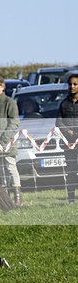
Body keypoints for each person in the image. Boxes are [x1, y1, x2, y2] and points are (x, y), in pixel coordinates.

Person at [0, 75, 22, 207]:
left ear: (2, 86)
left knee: (11, 168)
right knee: (1, 171)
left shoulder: (9, 102)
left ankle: (18, 198)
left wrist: (5, 139)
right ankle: (5, 198)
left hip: (7, 142)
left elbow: (14, 122)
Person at [56, 72, 78, 204]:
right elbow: (58, 122)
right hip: (69, 143)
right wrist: (67, 131)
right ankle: (71, 198)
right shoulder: (64, 104)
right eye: (70, 84)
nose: (72, 87)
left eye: (75, 84)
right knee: (71, 172)